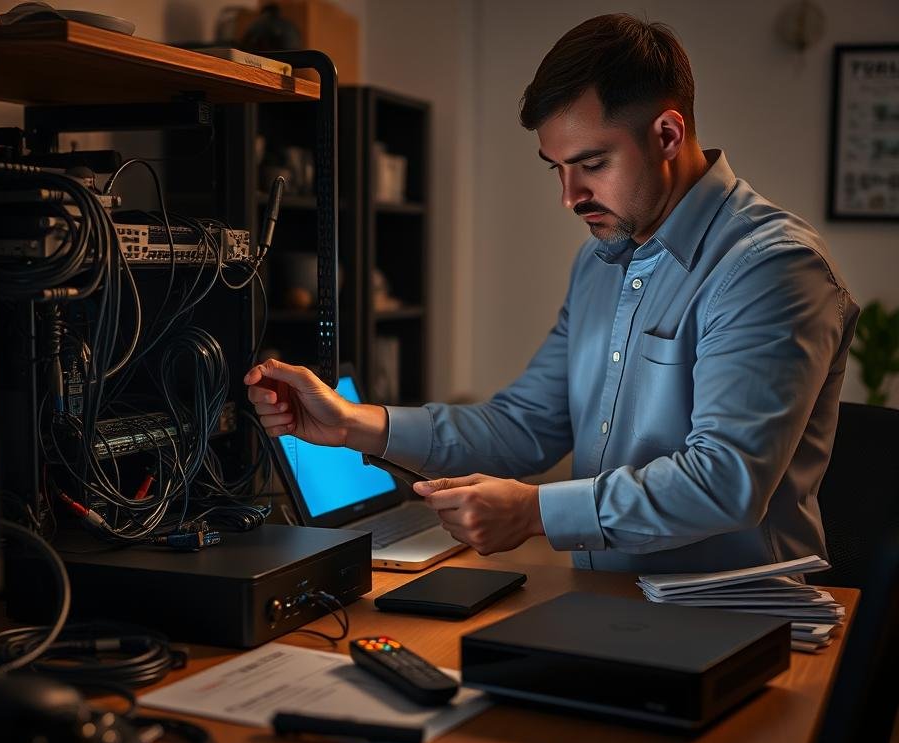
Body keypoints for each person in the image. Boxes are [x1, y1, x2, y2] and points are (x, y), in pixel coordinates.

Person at [245, 13, 858, 573]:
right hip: (610, 607)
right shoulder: (600, 262)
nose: (569, 197)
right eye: (556, 168)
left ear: (668, 134)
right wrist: (358, 424)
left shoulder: (771, 268)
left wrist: (536, 512)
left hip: (744, 623)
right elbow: (526, 426)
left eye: (592, 163)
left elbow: (725, 483)